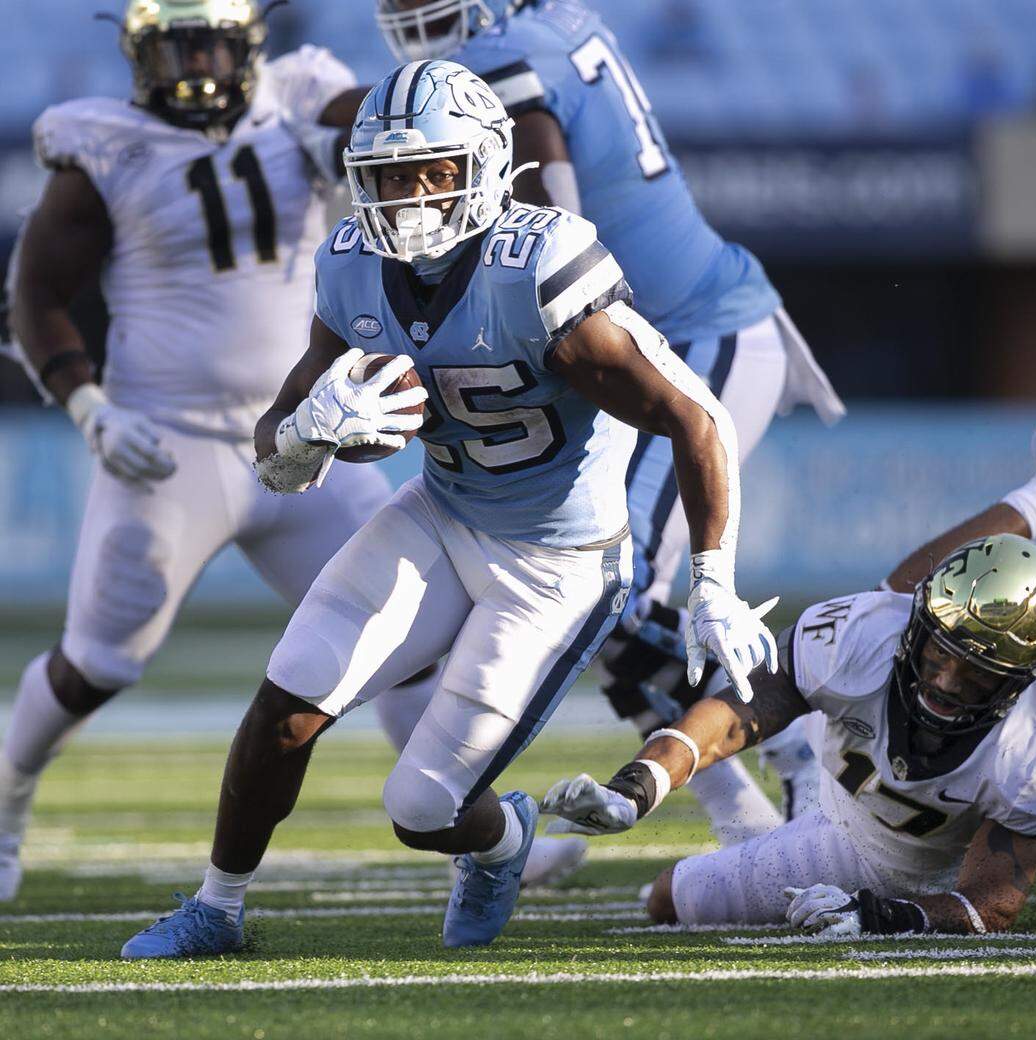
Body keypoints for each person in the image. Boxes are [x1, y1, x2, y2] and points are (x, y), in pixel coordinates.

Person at [120, 59, 778, 957]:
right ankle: (216, 907)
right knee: (288, 699)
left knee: (422, 809)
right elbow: (277, 437)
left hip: (560, 562)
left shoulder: (540, 267)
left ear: (485, 167)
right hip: (442, 511)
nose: (412, 195)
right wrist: (307, 437)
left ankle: (501, 840)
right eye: (392, 175)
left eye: (435, 171)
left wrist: (713, 582)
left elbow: (695, 416)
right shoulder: (352, 266)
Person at [369, 0, 844, 848]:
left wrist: (316, 103)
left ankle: (806, 740)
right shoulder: (551, 27)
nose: (408, 11)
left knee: (614, 592)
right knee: (604, 602)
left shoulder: (502, 55)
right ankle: (744, 822)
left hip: (699, 332)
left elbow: (556, 211)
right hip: (658, 330)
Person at [0, 0, 427, 903]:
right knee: (97, 665)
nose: (194, 63)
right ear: (138, 52)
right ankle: (5, 798)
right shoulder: (105, 146)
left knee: (402, 635)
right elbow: (34, 294)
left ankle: (463, 821)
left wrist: (387, 116)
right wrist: (90, 409)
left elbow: (385, 119)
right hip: (171, 445)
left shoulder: (301, 97)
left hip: (306, 431)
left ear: (248, 42)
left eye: (210, 42)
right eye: (175, 45)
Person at [542, 377, 1036, 934]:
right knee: (668, 888)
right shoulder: (872, 631)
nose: (945, 681)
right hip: (840, 796)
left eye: (976, 673)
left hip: (896, 862)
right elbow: (735, 712)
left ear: (1017, 683)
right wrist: (640, 782)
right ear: (916, 628)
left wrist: (884, 915)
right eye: (936, 653)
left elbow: (989, 906)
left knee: (668, 897)